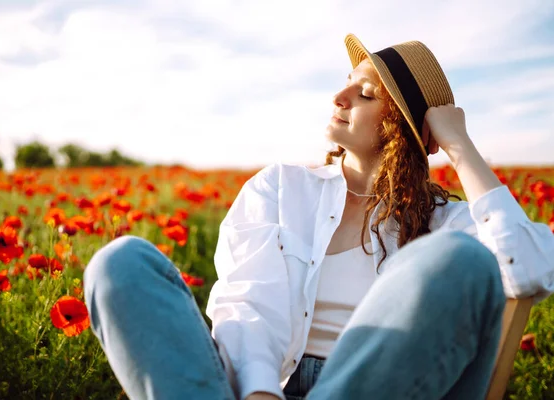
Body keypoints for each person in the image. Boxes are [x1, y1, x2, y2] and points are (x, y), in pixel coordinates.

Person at [83, 34, 554, 400]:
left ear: (403, 129)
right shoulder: (282, 188)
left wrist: (458, 145)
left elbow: (529, 271)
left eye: (366, 93)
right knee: (120, 264)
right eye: (347, 79)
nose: (340, 95)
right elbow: (248, 305)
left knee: (460, 260)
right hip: (262, 383)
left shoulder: (446, 222)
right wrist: (262, 391)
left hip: (385, 384)